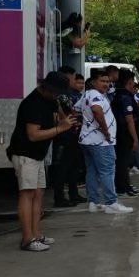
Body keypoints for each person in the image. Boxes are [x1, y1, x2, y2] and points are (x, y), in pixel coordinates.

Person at [7, 71, 76, 252]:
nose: (57, 96)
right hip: (25, 153)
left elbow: (61, 117)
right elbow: (33, 135)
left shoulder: (52, 100)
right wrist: (61, 128)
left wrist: (65, 117)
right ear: (46, 87)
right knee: (27, 193)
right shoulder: (33, 104)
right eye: (55, 92)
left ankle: (37, 234)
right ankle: (27, 239)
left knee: (38, 194)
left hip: (38, 155)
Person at [79, 71, 131, 215]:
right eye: (102, 81)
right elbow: (96, 110)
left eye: (108, 81)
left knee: (92, 171)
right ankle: (111, 203)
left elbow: (75, 110)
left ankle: (94, 202)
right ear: (93, 82)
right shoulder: (95, 95)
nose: (106, 84)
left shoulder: (86, 94)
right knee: (107, 171)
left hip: (88, 140)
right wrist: (105, 130)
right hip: (100, 141)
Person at [49, 66, 84, 208]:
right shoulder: (61, 94)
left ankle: (73, 193)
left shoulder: (72, 93)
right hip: (64, 135)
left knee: (74, 166)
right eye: (72, 78)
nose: (73, 81)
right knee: (63, 167)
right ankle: (59, 197)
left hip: (74, 134)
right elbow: (71, 112)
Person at [112, 69, 139, 196]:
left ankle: (125, 185)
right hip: (124, 133)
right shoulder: (125, 97)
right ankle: (122, 187)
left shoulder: (117, 95)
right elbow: (129, 120)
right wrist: (135, 138)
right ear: (128, 82)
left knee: (122, 161)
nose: (134, 84)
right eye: (133, 81)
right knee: (123, 162)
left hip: (118, 132)